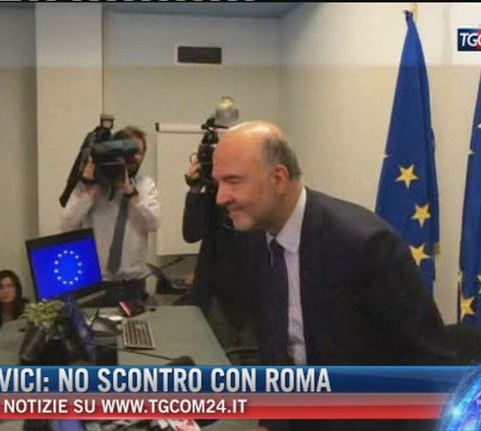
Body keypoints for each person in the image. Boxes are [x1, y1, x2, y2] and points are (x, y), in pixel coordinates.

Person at [212, 121, 454, 431]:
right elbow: (278, 348)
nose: (221, 197)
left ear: (278, 178)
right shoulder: (257, 236)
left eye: (233, 181)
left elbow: (431, 367)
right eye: (219, 183)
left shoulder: (365, 244)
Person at [61, 126, 160, 306]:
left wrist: (131, 194)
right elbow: (67, 225)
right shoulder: (92, 185)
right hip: (96, 280)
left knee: (136, 324)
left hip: (133, 282)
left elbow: (154, 223)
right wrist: (91, 190)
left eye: (139, 152)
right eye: (129, 151)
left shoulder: (146, 185)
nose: (134, 157)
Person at [182, 159, 255, 355]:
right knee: (210, 353)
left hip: (247, 293)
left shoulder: (253, 198)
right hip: (212, 291)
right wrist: (195, 191)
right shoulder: (213, 196)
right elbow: (191, 234)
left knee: (246, 356)